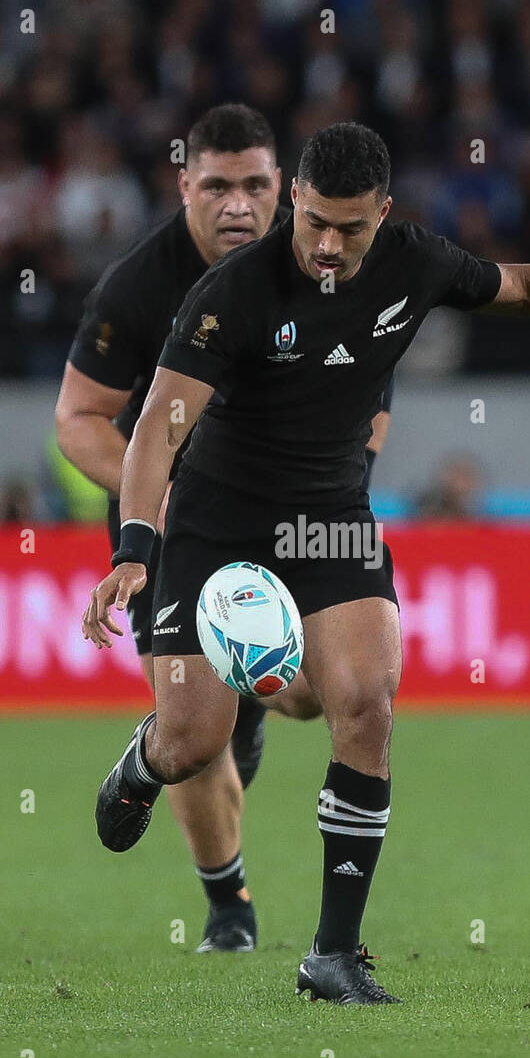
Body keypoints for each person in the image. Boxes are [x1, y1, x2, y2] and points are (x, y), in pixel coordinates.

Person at [83, 121, 530, 1004]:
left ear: (384, 213)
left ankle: (333, 955)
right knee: (196, 740)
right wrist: (136, 549)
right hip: (216, 524)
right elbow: (157, 428)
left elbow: (525, 285)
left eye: (352, 228)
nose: (330, 247)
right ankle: (142, 766)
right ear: (293, 201)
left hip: (332, 516)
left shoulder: (414, 261)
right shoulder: (232, 293)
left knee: (367, 704)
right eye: (314, 225)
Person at [56, 104, 394, 954]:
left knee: (325, 699)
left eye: (254, 184)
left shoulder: (320, 259)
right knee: (194, 744)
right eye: (216, 186)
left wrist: (336, 489)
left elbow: (370, 406)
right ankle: (228, 908)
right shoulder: (138, 284)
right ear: (184, 187)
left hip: (299, 508)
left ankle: (250, 690)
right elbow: (80, 419)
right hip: (176, 520)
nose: (238, 203)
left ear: (283, 186)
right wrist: (158, 502)